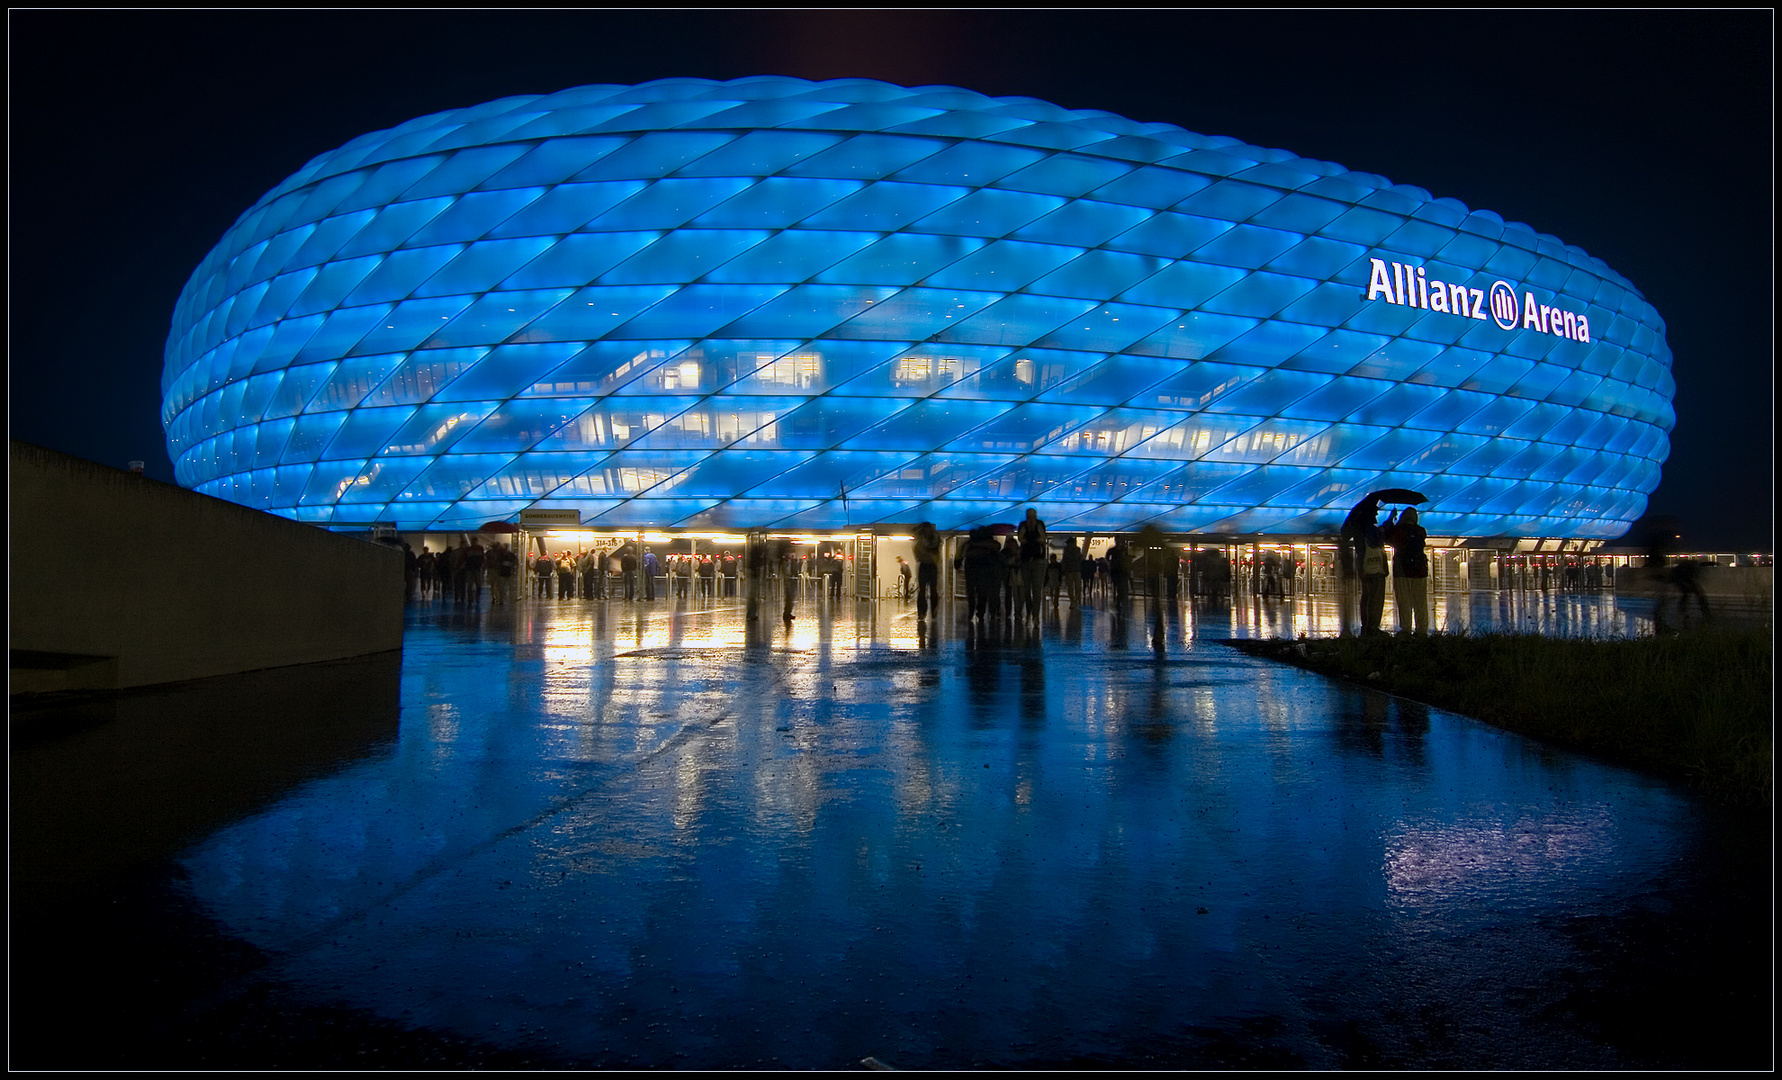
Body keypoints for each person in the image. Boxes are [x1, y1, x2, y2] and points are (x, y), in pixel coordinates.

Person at [1382, 506, 1429, 634]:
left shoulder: (1398, 531)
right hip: (1420, 570)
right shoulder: (1421, 531)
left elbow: (1386, 536)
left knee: (1404, 600)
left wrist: (1392, 520)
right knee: (1420, 601)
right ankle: (1422, 628)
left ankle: (1406, 628)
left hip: (1402, 570)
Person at [1016, 508, 1047, 623]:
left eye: (1032, 516)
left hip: (1037, 560)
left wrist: (1030, 538)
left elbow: (1042, 538)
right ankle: (1030, 611)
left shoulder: (1039, 524)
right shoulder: (1023, 525)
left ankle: (1035, 615)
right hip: (1026, 560)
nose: (1031, 519)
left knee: (1036, 589)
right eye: (1029, 516)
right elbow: (1021, 538)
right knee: (1026, 589)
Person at [912, 522, 942, 619]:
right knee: (927, 589)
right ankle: (925, 612)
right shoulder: (933, 539)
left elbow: (918, 552)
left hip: (926, 565)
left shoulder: (924, 540)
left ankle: (925, 611)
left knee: (925, 589)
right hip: (930, 565)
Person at [1061, 537, 1084, 607]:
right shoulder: (1077, 550)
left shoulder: (1070, 550)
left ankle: (1074, 600)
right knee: (1073, 586)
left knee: (1074, 586)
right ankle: (1074, 600)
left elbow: (1064, 560)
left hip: (1072, 570)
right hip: (1074, 570)